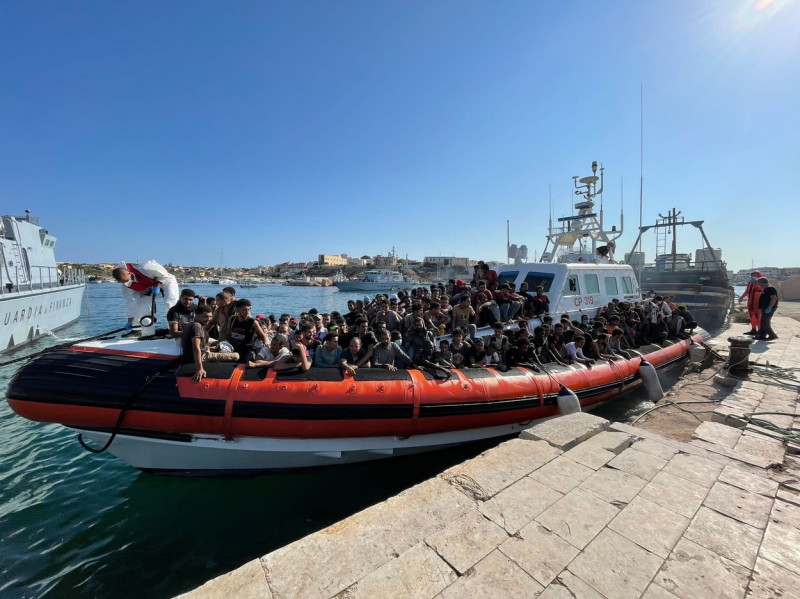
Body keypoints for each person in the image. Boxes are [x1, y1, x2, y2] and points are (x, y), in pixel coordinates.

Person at [112, 260, 179, 329]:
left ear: (129, 272)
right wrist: (130, 321)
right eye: (124, 282)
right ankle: (137, 329)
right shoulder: (127, 285)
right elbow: (131, 302)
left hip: (167, 282)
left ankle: (174, 328)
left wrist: (158, 285)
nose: (128, 282)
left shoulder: (145, 268)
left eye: (127, 279)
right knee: (142, 307)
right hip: (150, 288)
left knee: (170, 303)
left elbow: (164, 276)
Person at [181, 305, 239, 383]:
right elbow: (196, 347)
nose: (208, 319)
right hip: (202, 356)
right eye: (205, 316)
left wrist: (208, 348)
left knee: (219, 346)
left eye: (210, 316)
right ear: (197, 315)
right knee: (236, 356)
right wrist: (199, 369)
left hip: (196, 353)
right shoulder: (197, 326)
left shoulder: (190, 324)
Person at [740, 270, 763, 335]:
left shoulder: (761, 282)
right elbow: (747, 291)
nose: (754, 276)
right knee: (752, 316)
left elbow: (760, 289)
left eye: (756, 275)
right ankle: (753, 330)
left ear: (759, 275)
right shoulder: (750, 283)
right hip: (750, 302)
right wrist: (742, 297)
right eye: (753, 275)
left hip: (758, 302)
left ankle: (760, 331)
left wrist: (754, 283)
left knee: (758, 317)